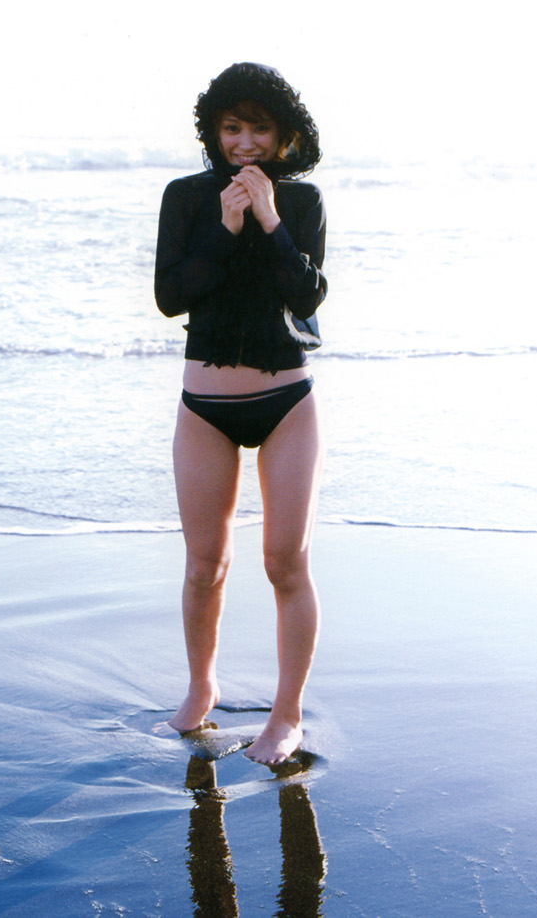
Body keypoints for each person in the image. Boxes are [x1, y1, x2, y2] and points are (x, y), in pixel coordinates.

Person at [154, 61, 327, 767]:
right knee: (205, 564)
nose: (245, 142)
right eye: (232, 128)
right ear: (214, 133)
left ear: (284, 136)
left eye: (259, 128)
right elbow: (171, 297)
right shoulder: (186, 197)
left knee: (285, 561)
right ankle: (202, 687)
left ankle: (286, 716)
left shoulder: (303, 201)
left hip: (287, 403)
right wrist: (225, 228)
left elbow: (307, 295)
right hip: (205, 408)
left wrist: (270, 220)